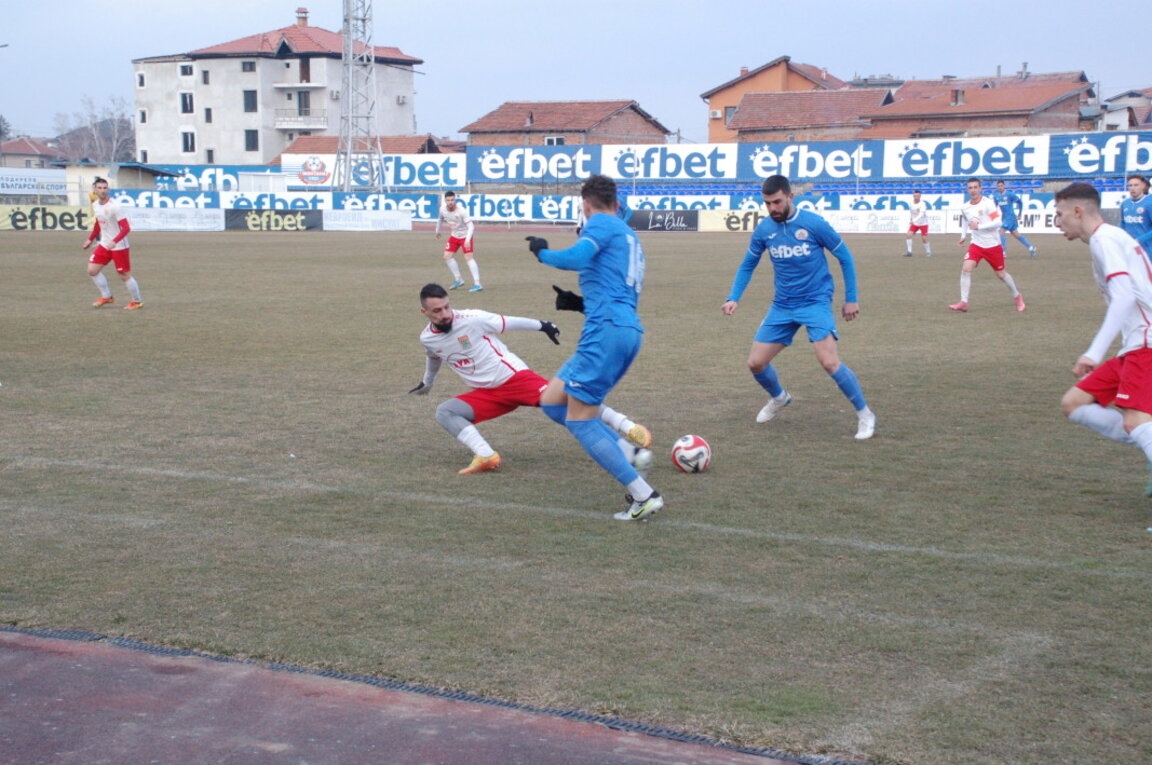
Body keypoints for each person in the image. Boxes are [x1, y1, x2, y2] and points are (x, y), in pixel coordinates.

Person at [524, 174, 662, 521]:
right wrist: (579, 304)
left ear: (585, 205)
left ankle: (643, 495)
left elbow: (576, 257)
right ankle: (629, 454)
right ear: (617, 203)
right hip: (619, 328)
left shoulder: (600, 223)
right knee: (552, 402)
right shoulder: (627, 234)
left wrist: (541, 252)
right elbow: (615, 290)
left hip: (605, 333)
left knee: (581, 420)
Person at [410, 282, 653, 476]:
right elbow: (434, 357)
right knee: (446, 412)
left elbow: (507, 322)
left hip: (514, 379)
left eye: (447, 307)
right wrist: (427, 383)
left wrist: (543, 325)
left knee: (572, 401)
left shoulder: (471, 318)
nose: (445, 314)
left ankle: (628, 428)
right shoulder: (427, 338)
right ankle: (485, 455)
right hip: (487, 394)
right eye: (437, 311)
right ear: (424, 312)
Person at [721, 174, 876, 440]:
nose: (772, 208)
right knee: (756, 363)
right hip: (783, 305)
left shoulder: (813, 223)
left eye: (777, 202)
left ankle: (865, 414)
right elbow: (748, 264)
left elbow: (845, 257)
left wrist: (851, 298)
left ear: (790, 197)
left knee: (829, 362)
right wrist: (733, 296)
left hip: (815, 301)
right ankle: (779, 397)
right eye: (767, 203)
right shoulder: (764, 230)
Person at [1054, 182, 1152, 497]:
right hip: (1134, 345)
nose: (1057, 222)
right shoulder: (1111, 237)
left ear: (1077, 211)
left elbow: (1124, 297)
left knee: (1135, 421)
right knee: (1074, 403)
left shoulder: (1104, 239)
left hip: (1146, 343)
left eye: (1059, 214)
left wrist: (1093, 353)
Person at [949, 178, 1025, 313]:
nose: (973, 190)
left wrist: (979, 227)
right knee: (966, 269)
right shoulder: (965, 207)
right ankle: (964, 302)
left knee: (1001, 274)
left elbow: (997, 222)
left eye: (975, 187)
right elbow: (966, 220)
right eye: (970, 188)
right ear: (967, 190)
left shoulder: (988, 203)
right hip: (976, 244)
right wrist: (963, 236)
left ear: (980, 189)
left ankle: (1017, 296)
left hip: (993, 245)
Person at [81, 177, 143, 310]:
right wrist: (90, 239)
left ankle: (137, 301)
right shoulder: (96, 205)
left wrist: (115, 241)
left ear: (108, 189)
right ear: (94, 189)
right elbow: (98, 223)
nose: (103, 190)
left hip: (119, 246)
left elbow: (126, 228)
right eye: (100, 188)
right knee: (92, 270)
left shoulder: (115, 206)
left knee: (124, 275)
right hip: (104, 244)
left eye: (105, 188)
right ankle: (107, 296)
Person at [434, 191, 482, 292]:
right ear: (445, 200)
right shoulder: (442, 209)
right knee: (447, 256)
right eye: (448, 200)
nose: (450, 202)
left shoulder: (461, 211)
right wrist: (437, 231)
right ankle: (458, 279)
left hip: (465, 236)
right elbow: (440, 219)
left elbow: (471, 226)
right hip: (454, 235)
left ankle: (477, 284)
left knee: (468, 258)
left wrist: (467, 240)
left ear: (455, 199)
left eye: (452, 200)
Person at [992, 180, 1037, 257]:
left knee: (1001, 231)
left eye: (1001, 186)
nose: (1000, 187)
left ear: (1004, 186)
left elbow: (1020, 202)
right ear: (997, 187)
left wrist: (1019, 214)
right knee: (1016, 234)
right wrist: (994, 217)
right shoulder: (996, 196)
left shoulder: (1010, 194)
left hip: (1011, 217)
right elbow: (994, 208)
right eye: (998, 186)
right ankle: (1031, 247)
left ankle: (1003, 252)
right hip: (1005, 218)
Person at [1120, 174, 1152, 250]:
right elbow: (1123, 223)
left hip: (1147, 249)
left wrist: (1139, 240)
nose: (1132, 188)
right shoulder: (1125, 203)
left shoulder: (1149, 203)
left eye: (1136, 185)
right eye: (1130, 185)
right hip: (1130, 248)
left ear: (1143, 186)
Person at [904, 189, 932, 257]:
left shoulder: (922, 204)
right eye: (915, 196)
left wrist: (913, 220)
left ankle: (928, 251)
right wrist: (911, 219)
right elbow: (912, 213)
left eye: (917, 196)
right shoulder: (911, 203)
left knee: (924, 239)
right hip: (915, 223)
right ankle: (909, 252)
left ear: (920, 196)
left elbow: (921, 214)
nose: (916, 197)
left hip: (923, 223)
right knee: (908, 235)